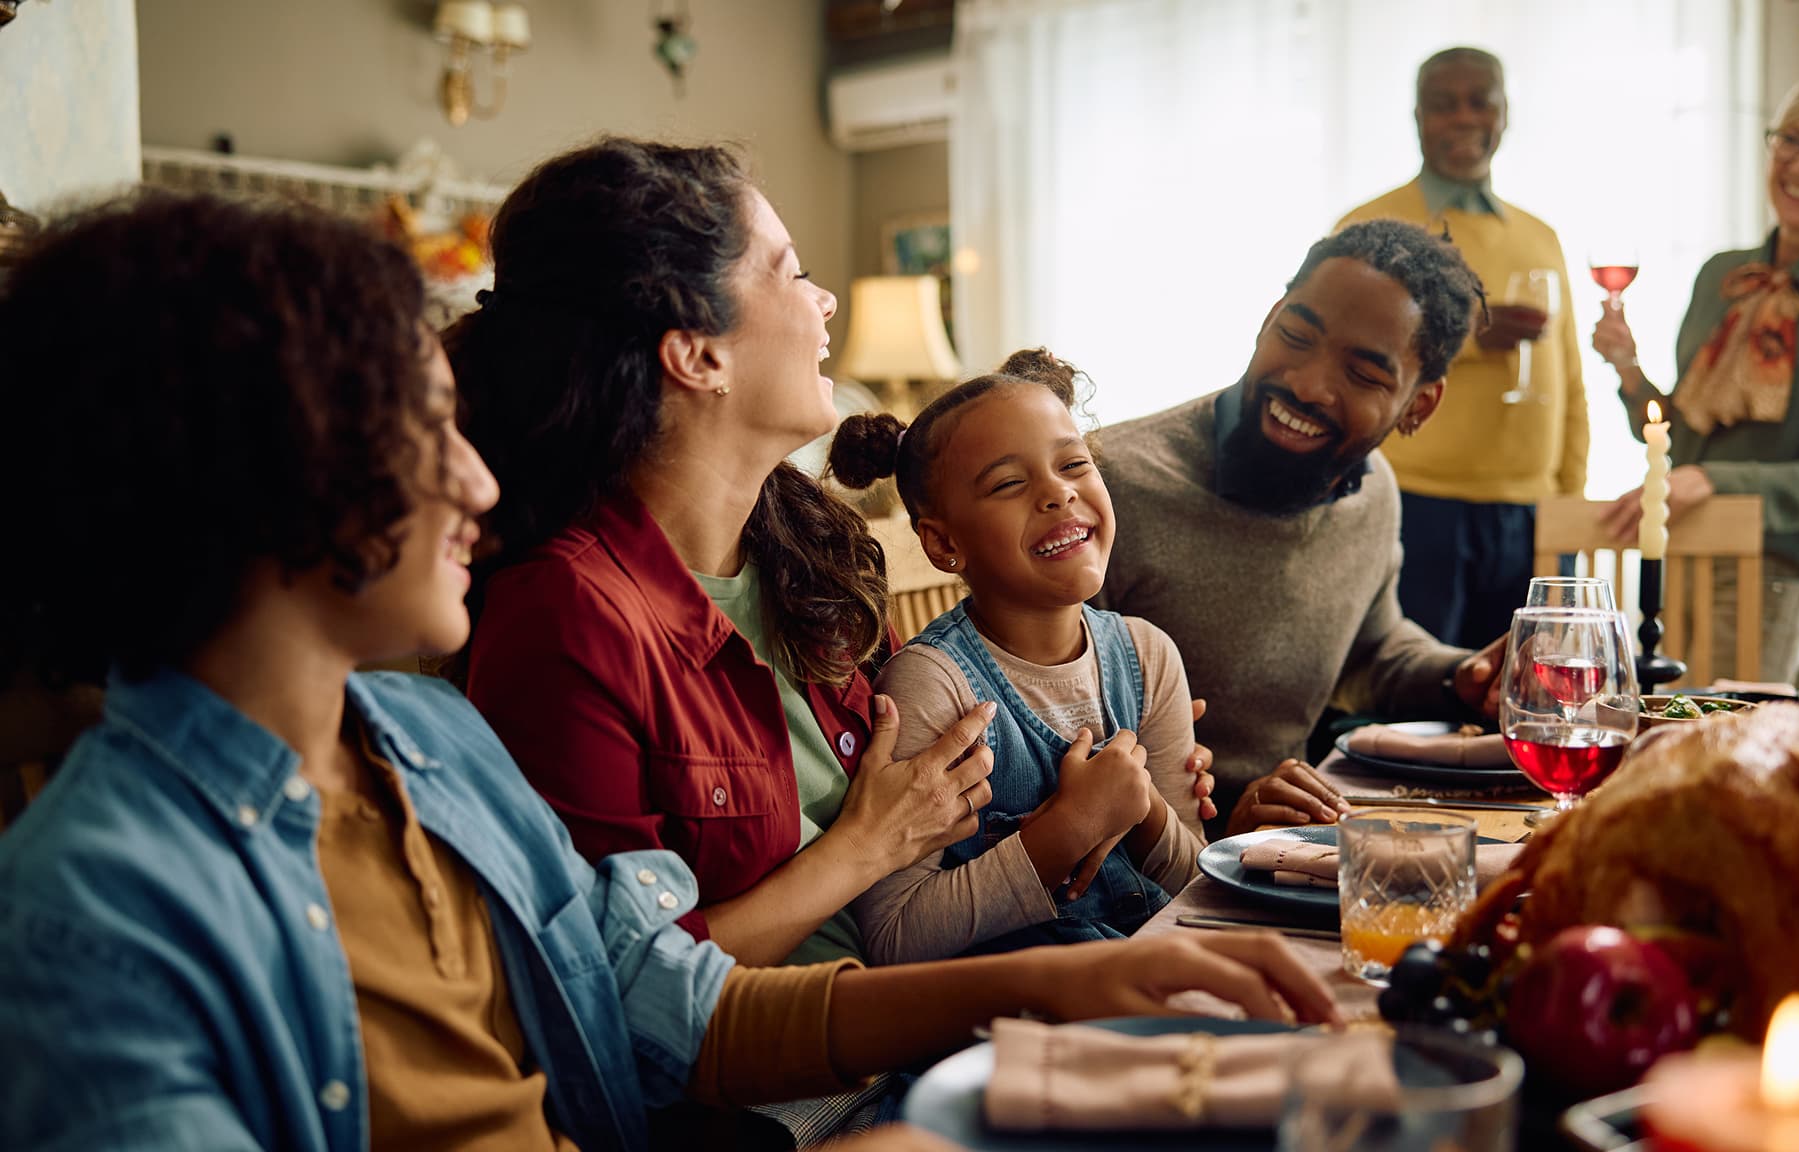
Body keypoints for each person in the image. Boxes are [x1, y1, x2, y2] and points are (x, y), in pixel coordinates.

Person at [0, 191, 1338, 1152]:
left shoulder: (420, 744)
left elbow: (665, 1009)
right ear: (256, 476)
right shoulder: (94, 916)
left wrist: (1054, 986)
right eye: (421, 432)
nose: (475, 476)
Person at [1095, 219, 1504, 838]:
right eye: (1296, 335)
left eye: (1364, 375)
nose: (1309, 384)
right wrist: (1220, 826)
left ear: (1418, 405)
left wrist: (1463, 678)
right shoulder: (1107, 486)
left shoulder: (1374, 492)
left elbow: (1370, 651)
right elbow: (1045, 744)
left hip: (1284, 843)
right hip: (1144, 872)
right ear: (1269, 317)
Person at [828, 350, 1205, 964]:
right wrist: (1067, 831)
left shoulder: (1149, 656)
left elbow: (1197, 886)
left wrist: (1145, 810)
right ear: (944, 542)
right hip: (1002, 1026)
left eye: (1074, 464)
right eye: (1009, 484)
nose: (1058, 493)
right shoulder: (932, 686)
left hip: (1154, 986)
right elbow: (894, 938)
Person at [1592, 70, 1799, 684]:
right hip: (1678, 555)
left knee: (1725, 755)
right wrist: (1630, 371)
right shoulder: (1723, 273)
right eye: (1792, 139)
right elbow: (1678, 440)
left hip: (1773, 571)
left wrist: (1710, 479)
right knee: (1656, 745)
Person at [1337, 46, 1587, 649]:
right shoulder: (1370, 225)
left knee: (1530, 698)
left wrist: (1567, 502)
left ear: (1506, 113)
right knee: (1413, 701)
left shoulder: (1540, 235)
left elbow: (1571, 378)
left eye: (1481, 102)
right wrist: (1469, 336)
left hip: (1532, 513)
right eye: (1443, 105)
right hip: (1413, 503)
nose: (1464, 118)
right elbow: (1343, 356)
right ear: (1417, 117)